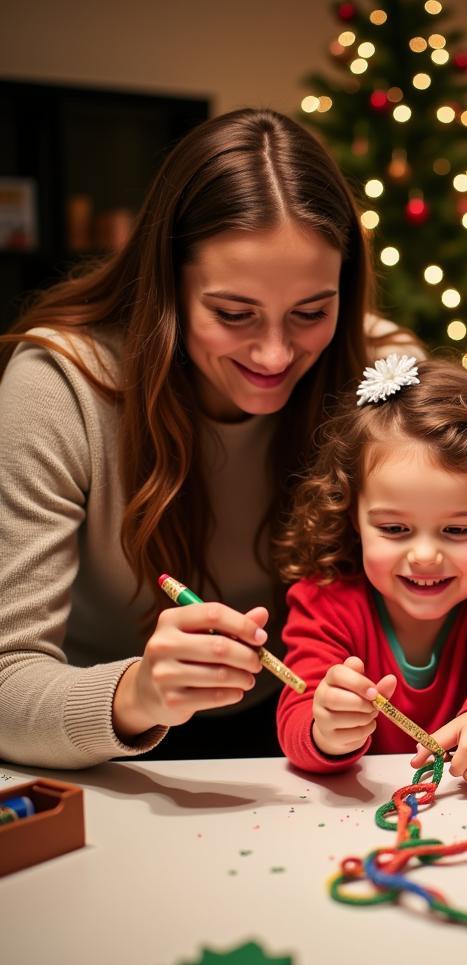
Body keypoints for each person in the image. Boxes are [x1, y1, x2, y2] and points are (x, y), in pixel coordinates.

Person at [0, 108, 420, 768]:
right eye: (233, 314)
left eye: (311, 312)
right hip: (99, 750)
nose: (277, 354)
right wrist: (136, 693)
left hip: (313, 740)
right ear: (167, 283)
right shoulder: (60, 386)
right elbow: (7, 685)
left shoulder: (382, 374)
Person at [275, 358, 467, 782]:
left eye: (456, 529)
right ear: (351, 517)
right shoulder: (323, 600)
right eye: (395, 528)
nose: (425, 556)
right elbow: (297, 717)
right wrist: (324, 730)